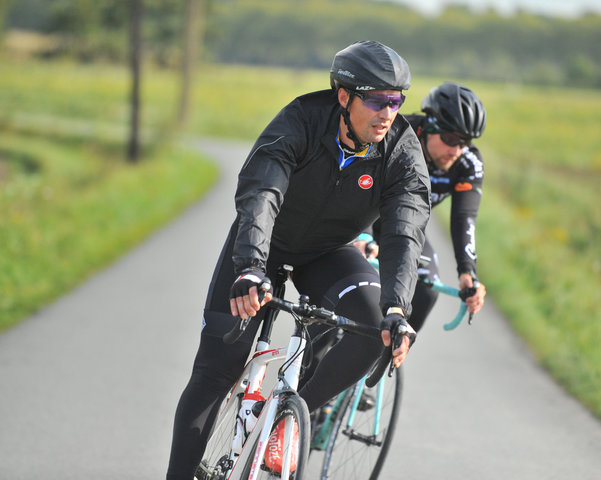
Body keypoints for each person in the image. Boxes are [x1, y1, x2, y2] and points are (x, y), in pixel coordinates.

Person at [166, 40, 431, 480]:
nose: (389, 112)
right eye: (377, 100)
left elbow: (405, 231)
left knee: (370, 327)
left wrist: (397, 308)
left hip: (327, 253)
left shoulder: (401, 151)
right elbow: (262, 194)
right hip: (263, 245)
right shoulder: (301, 120)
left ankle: (291, 420)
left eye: (397, 101)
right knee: (216, 370)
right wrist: (250, 264)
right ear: (344, 96)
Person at [355, 81, 487, 332]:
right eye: (450, 139)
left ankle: (386, 354)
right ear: (428, 128)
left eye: (465, 141)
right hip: (362, 219)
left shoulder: (467, 163)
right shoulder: (394, 135)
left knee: (426, 292)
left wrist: (467, 272)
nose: (457, 150)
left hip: (405, 227)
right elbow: (363, 189)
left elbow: (464, 218)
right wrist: (364, 236)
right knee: (356, 289)